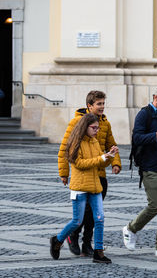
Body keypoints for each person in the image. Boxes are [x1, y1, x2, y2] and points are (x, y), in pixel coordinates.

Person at [58, 90, 121, 257]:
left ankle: (87, 244)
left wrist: (115, 162)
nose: (102, 107)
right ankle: (73, 236)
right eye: (98, 104)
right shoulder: (76, 123)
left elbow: (110, 144)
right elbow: (65, 148)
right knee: (83, 213)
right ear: (89, 105)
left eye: (103, 104)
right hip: (84, 175)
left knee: (95, 215)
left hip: (99, 175)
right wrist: (64, 173)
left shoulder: (105, 124)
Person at [122, 86, 157, 259]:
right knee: (155, 205)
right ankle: (130, 228)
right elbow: (137, 138)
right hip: (151, 167)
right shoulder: (144, 114)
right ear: (156, 98)